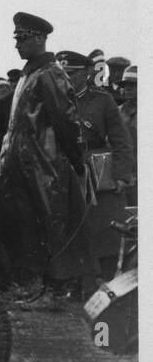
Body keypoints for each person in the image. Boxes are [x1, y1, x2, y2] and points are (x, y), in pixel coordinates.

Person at [0, 13, 88, 309]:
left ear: (40, 39)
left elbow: (67, 121)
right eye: (16, 39)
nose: (17, 44)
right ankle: (33, 284)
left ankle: (56, 290)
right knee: (25, 225)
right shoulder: (29, 73)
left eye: (22, 39)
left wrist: (77, 161)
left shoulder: (50, 73)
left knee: (51, 224)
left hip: (45, 166)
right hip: (21, 164)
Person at [59, 50, 135, 283]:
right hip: (64, 168)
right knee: (68, 226)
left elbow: (121, 140)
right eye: (64, 74)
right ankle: (70, 282)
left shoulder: (103, 101)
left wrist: (122, 175)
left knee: (101, 226)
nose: (67, 79)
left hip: (96, 168)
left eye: (71, 74)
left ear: (86, 73)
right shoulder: (56, 100)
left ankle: (104, 280)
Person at [119, 66, 137, 201]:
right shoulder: (119, 112)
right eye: (125, 85)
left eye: (133, 85)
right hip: (128, 175)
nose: (128, 88)